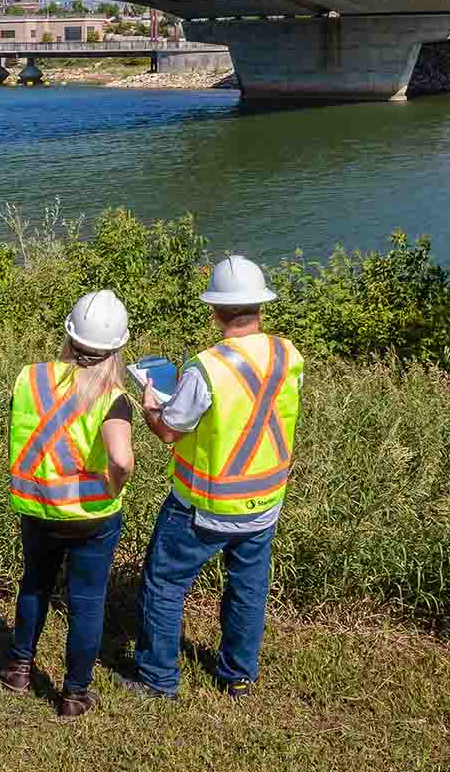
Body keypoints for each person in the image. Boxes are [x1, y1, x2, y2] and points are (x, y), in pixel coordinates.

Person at [124, 255, 304, 700]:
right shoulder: (288, 354)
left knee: (165, 583)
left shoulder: (206, 367)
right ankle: (238, 676)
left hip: (204, 505)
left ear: (216, 311)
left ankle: (158, 679)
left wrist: (151, 406)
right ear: (261, 306)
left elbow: (170, 430)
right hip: (265, 500)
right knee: (247, 588)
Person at [0, 289, 137, 719]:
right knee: (87, 602)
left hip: (36, 506)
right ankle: (74, 694)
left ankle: (19, 668)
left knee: (35, 584)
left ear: (70, 336)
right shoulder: (113, 396)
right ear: (116, 348)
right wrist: (113, 485)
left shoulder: (30, 376)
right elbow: (122, 459)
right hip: (91, 517)